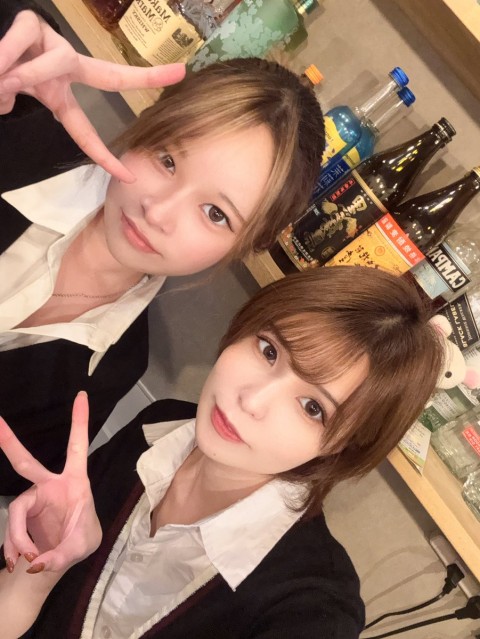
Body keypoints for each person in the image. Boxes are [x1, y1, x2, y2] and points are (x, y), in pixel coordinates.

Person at [0, 267, 444, 638]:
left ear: (343, 445)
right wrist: (38, 573)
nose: (251, 400)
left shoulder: (312, 607)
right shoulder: (160, 427)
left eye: (313, 407)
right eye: (269, 350)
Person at [0, 3, 326, 494]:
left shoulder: (117, 364)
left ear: (247, 245)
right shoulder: (14, 128)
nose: (159, 211)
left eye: (215, 213)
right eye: (168, 159)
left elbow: (15, 473)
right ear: (152, 119)